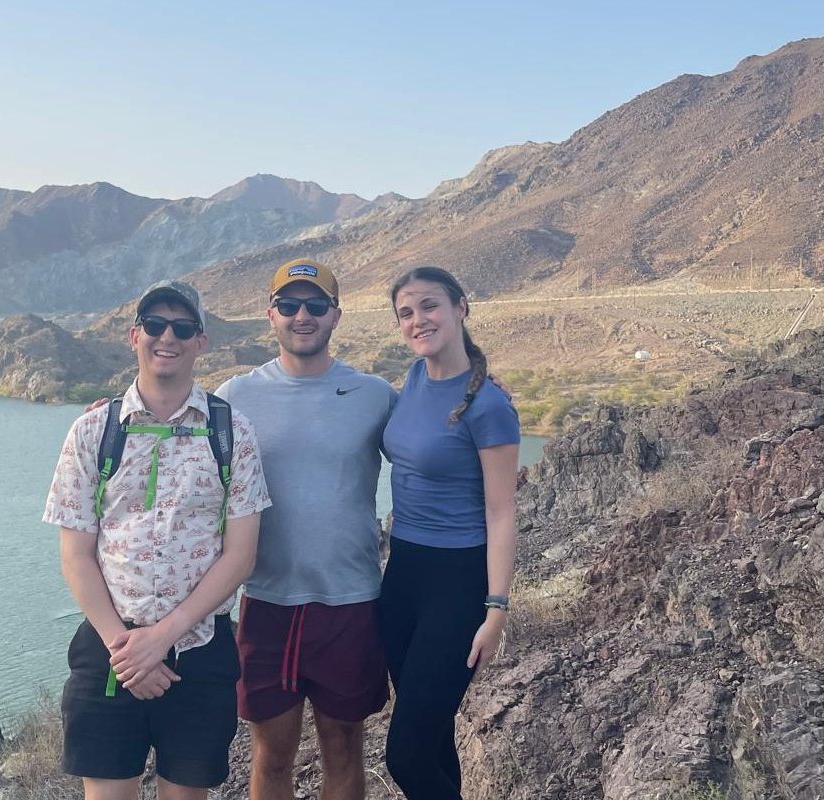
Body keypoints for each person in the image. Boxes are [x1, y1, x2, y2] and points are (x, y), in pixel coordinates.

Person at [44, 280, 272, 800]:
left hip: (199, 650)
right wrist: (127, 651)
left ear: (201, 342)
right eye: (154, 325)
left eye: (183, 328)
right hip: (110, 650)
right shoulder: (93, 431)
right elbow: (76, 555)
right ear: (134, 336)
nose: (167, 337)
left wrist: (162, 638)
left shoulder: (232, 433)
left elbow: (241, 555)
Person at [215, 259, 395, 800]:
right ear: (270, 314)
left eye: (316, 305)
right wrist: (113, 417)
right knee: (271, 757)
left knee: (344, 751)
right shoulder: (235, 395)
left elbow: (436, 438)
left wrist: (482, 390)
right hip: (267, 600)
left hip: (350, 601)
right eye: (289, 305)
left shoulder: (374, 394)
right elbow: (178, 444)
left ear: (336, 315)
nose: (302, 316)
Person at [378, 266, 520, 799]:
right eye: (406, 312)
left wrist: (495, 609)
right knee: (433, 740)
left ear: (461, 307)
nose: (418, 320)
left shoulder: (490, 406)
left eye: (430, 305)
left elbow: (501, 512)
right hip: (402, 576)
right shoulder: (414, 378)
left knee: (406, 756)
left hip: (457, 583)